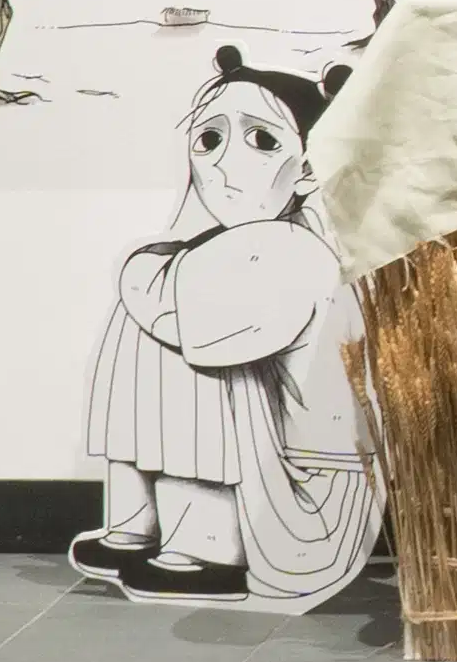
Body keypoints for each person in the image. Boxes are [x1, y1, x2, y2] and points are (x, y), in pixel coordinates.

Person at [74, 49, 379, 608]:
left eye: (261, 141)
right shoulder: (232, 245)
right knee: (158, 311)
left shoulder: (296, 250)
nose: (221, 161)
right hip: (262, 471)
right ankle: (141, 520)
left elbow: (212, 334)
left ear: (309, 168)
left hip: (306, 498)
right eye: (208, 140)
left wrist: (144, 272)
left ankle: (206, 543)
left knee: (186, 344)